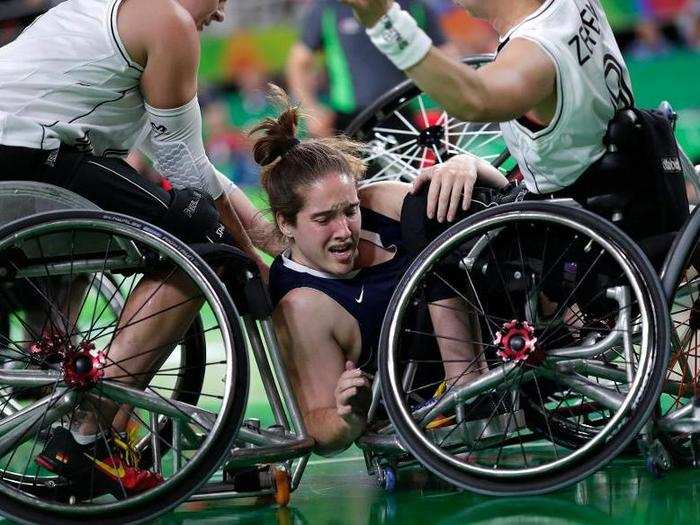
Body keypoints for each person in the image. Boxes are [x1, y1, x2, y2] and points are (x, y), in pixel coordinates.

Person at [0, 0, 278, 494]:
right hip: (26, 157)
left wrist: (266, 234)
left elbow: (176, 155)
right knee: (203, 254)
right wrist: (248, 255)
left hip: (22, 155)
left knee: (200, 233)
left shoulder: (104, 16)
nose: (222, 11)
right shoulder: (166, 19)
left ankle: (100, 428)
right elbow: (183, 164)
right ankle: (86, 436)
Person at [250, 89, 507, 454]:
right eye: (323, 219)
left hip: (516, 325)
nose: (343, 230)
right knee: (431, 243)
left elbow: (494, 214)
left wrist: (467, 165)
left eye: (349, 210)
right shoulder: (302, 305)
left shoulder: (379, 202)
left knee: (439, 209)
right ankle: (463, 379)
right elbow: (319, 430)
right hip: (432, 408)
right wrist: (347, 417)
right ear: (286, 224)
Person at [340, 0, 688, 243]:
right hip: (621, 190)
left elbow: (476, 99)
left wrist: (385, 22)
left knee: (419, 210)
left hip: (570, 233)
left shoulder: (536, 52)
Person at [285, 0, 451, 137]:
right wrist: (311, 109)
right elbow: (298, 62)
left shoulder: (414, 5)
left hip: (406, 113)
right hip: (350, 118)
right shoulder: (328, 7)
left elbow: (448, 56)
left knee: (412, 176)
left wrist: (450, 108)